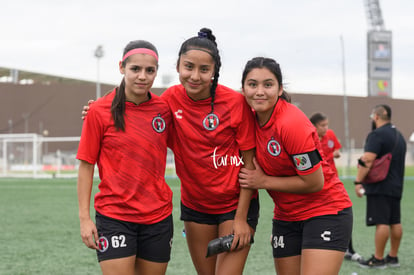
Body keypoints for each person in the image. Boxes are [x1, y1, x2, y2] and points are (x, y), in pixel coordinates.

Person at [82, 28, 259, 275]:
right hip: (195, 205)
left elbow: (250, 162)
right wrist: (96, 110)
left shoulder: (234, 103)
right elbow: (136, 112)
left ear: (214, 72)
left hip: (233, 205)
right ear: (177, 67)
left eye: (204, 70)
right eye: (188, 67)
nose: (195, 76)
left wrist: (241, 218)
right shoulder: (169, 101)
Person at [238, 57, 353, 275]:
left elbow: (314, 182)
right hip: (286, 217)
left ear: (280, 89)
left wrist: (263, 181)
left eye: (268, 84)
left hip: (325, 211)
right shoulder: (247, 117)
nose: (259, 91)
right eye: (252, 84)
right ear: (243, 89)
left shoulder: (291, 123)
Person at [77, 40, 174, 275]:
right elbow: (86, 166)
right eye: (135, 69)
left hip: (158, 217)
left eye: (150, 70)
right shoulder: (99, 111)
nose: (142, 76)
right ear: (122, 67)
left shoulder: (164, 110)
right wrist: (84, 218)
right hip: (115, 216)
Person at [355, 104, 406, 269]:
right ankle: (393, 257)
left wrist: (358, 181)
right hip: (396, 185)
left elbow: (367, 159)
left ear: (376, 117)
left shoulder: (377, 135)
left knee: (381, 222)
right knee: (395, 221)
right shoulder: (399, 136)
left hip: (380, 185)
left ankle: (378, 259)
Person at [310, 112, 362, 262]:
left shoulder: (330, 134)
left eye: (327, 125)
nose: (326, 128)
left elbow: (337, 150)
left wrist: (335, 154)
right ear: (314, 126)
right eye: (323, 125)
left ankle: (349, 250)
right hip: (314, 184)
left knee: (341, 211)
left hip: (332, 182)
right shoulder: (307, 137)